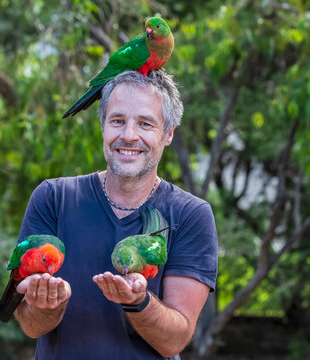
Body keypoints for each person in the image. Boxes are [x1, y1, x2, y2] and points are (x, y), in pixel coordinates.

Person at [13, 69, 218, 360]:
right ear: (103, 127)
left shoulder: (191, 215)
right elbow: (31, 326)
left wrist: (139, 302)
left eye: (145, 124)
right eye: (117, 121)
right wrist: (50, 305)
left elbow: (175, 340)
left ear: (168, 133)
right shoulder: (53, 199)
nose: (129, 135)